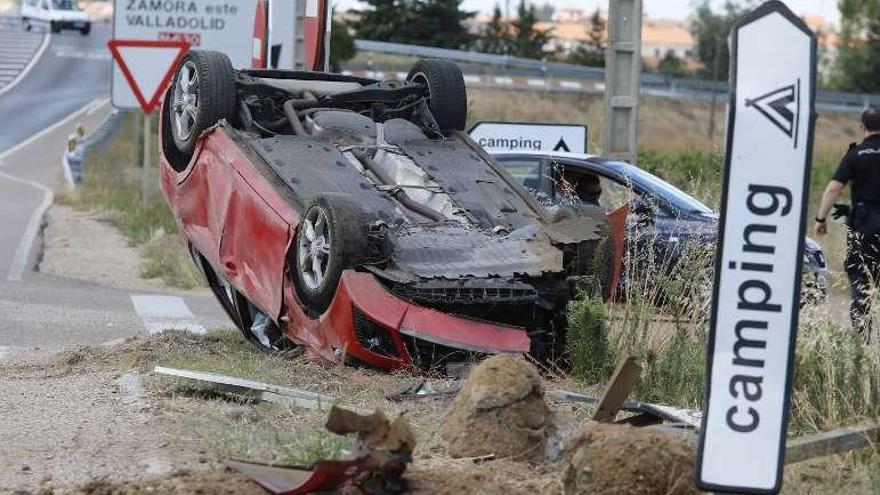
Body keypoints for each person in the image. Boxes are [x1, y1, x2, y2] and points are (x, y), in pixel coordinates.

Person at [814, 106, 880, 340]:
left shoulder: (855, 154)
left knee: (861, 282)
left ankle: (862, 344)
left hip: (864, 231)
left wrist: (820, 218)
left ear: (862, 128)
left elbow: (834, 188)